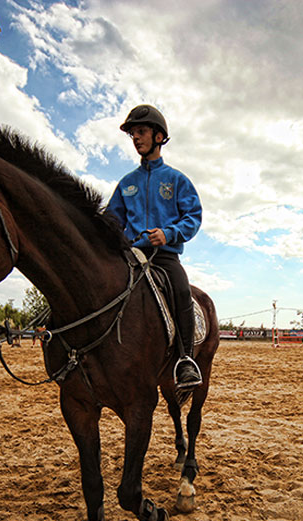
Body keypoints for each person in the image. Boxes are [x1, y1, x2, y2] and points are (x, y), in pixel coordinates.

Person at [107, 104, 203, 388]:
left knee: (182, 290)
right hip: (132, 255)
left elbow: (193, 217)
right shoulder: (127, 183)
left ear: (159, 136)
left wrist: (170, 233)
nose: (136, 138)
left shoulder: (176, 180)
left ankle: (186, 359)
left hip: (165, 257)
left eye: (141, 131)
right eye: (133, 134)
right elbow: (112, 220)